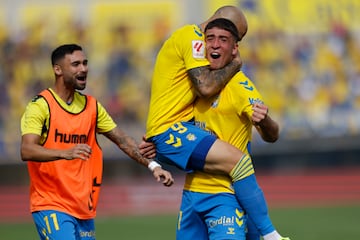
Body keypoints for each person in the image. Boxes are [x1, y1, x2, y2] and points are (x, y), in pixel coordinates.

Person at [145, 5, 289, 240]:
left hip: (225, 195)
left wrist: (265, 121)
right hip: (190, 183)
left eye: (230, 39)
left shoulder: (234, 84)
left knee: (240, 163)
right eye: (215, 37)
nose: (218, 45)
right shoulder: (194, 48)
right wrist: (236, 64)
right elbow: (205, 88)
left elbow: (272, 134)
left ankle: (270, 235)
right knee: (239, 162)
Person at [20, 44, 174, 240]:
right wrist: (64, 152)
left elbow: (123, 140)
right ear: (57, 69)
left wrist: (154, 166)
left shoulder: (92, 106)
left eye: (85, 63)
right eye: (75, 64)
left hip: (83, 207)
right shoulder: (40, 106)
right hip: (51, 204)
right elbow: (27, 150)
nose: (83, 69)